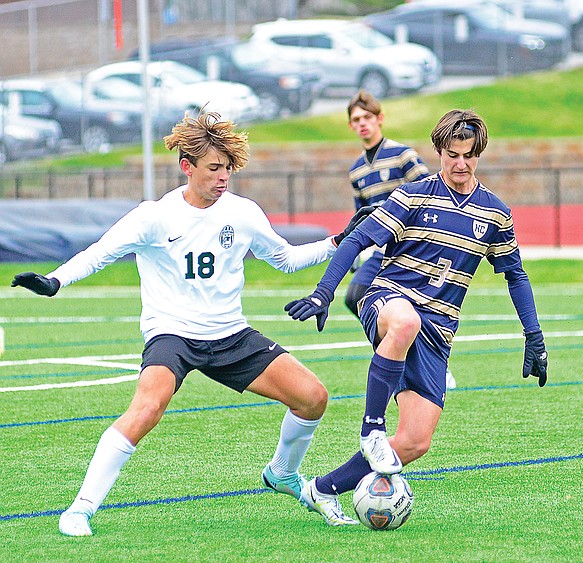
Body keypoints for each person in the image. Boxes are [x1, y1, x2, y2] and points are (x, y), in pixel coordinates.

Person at [11, 111, 371, 536]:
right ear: (188, 167)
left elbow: (285, 259)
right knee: (146, 409)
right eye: (214, 169)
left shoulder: (243, 213)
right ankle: (80, 509)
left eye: (228, 170)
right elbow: (100, 252)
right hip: (172, 334)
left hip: (230, 334)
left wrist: (336, 242)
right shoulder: (154, 216)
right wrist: (55, 280)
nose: (223, 178)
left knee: (313, 397)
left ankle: (282, 473)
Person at [285, 109, 549, 526]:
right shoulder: (413, 195)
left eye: (468, 155)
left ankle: (323, 489)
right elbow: (357, 239)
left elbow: (515, 274)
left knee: (413, 441)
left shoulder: (495, 213)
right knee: (406, 322)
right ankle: (371, 427)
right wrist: (324, 291)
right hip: (389, 300)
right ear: (439, 151)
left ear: (478, 154)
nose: (460, 164)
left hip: (438, 332)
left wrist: (533, 335)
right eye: (451, 154)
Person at [345, 90, 456, 390]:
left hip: (410, 246)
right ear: (351, 126)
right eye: (356, 120)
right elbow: (362, 213)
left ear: (379, 118)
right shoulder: (357, 168)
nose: (362, 124)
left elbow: (433, 193)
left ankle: (431, 364)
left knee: (415, 305)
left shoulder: (402, 155)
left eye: (367, 117)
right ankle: (395, 359)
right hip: (381, 250)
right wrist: (357, 251)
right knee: (355, 298)